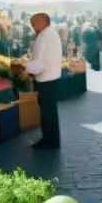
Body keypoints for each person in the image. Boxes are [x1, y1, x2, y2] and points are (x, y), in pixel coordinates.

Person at [24, 13, 63, 150]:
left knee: (47, 112)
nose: (32, 26)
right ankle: (52, 139)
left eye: (34, 23)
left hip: (44, 79)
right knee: (51, 111)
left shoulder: (43, 36)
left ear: (42, 22)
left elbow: (39, 63)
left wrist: (25, 67)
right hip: (52, 77)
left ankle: (49, 141)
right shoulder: (53, 34)